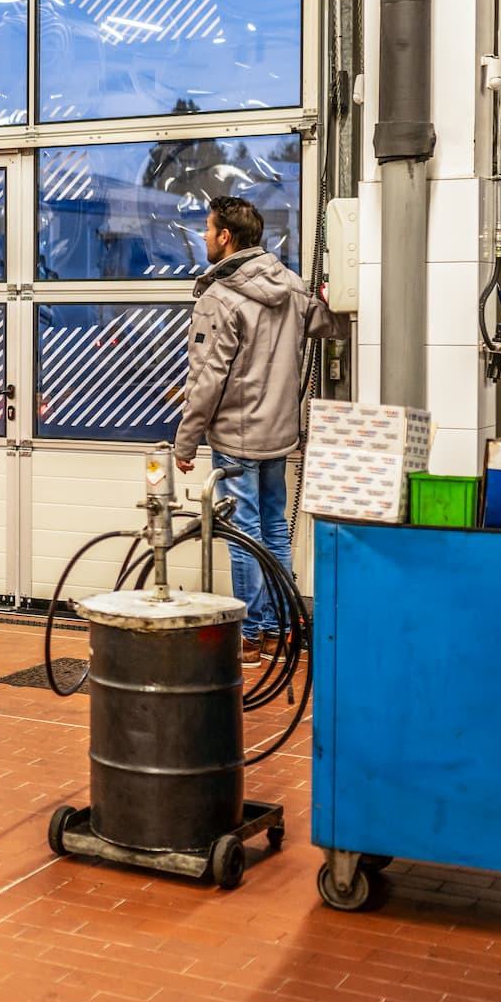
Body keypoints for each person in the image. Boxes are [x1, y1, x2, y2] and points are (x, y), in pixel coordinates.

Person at [173, 196, 347, 662]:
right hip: (279, 433)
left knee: (241, 533)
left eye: (208, 230)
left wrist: (185, 440)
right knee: (272, 528)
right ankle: (279, 630)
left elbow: (206, 378)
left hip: (236, 437)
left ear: (226, 237)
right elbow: (331, 324)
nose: (205, 237)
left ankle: (250, 635)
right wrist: (339, 293)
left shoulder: (221, 297)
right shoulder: (289, 284)